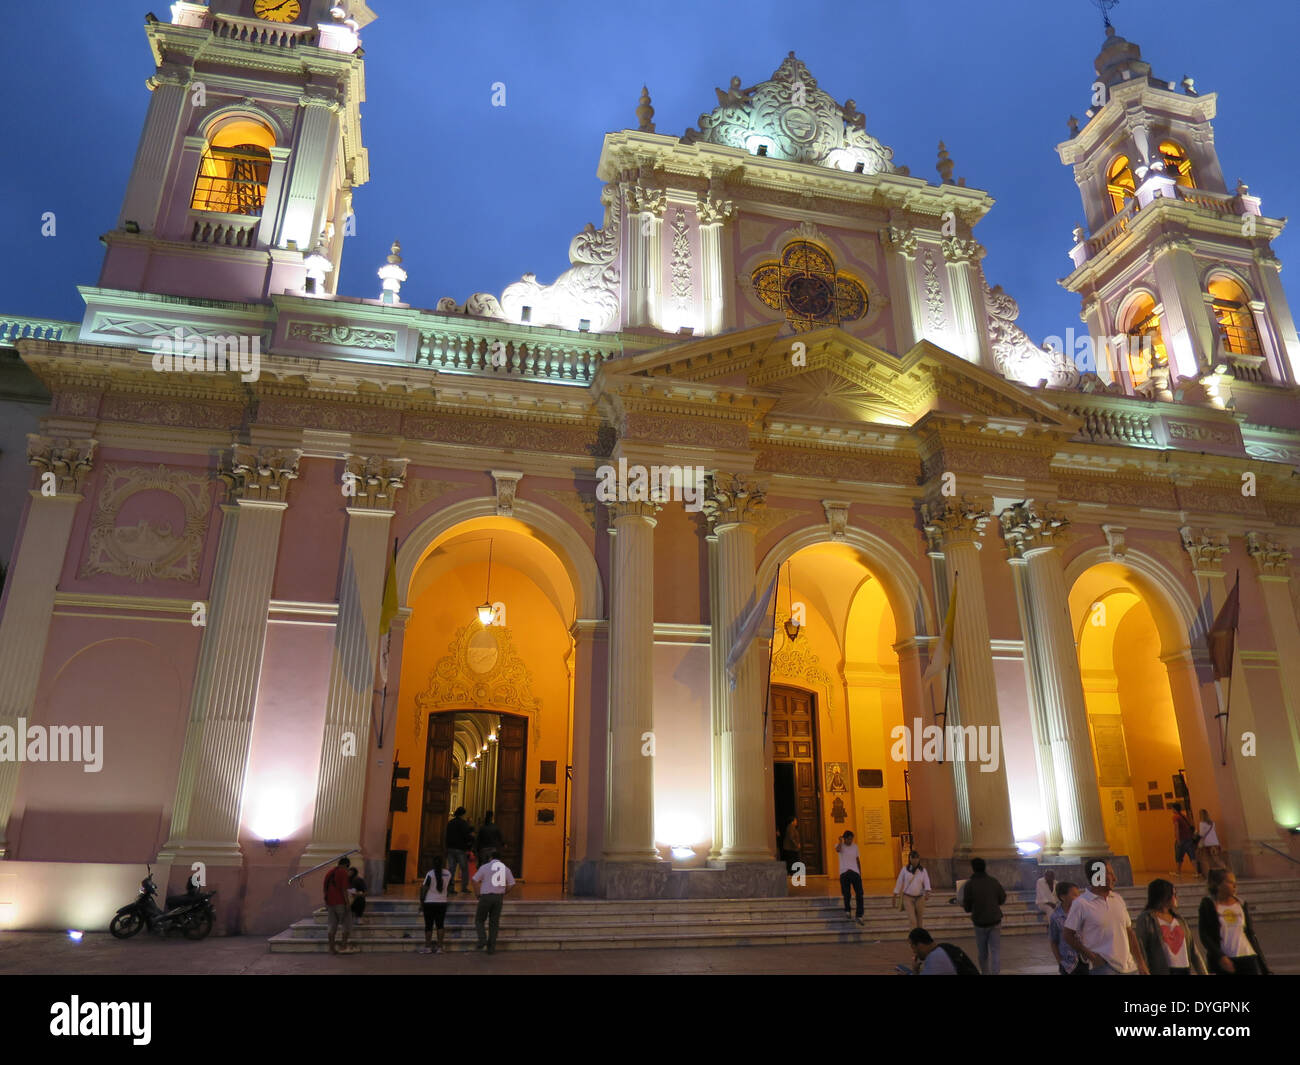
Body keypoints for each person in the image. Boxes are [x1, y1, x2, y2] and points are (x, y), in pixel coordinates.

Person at [1063, 858, 1147, 975]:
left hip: (1130, 967)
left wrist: (1141, 963)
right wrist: (1092, 956)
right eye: (1110, 874)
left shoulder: (1118, 899)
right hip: (1104, 968)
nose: (1115, 878)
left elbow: (1129, 932)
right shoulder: (1081, 903)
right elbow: (1067, 935)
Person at [1198, 869, 1270, 975]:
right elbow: (1204, 935)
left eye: (1234, 882)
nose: (1234, 885)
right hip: (1225, 959)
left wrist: (1262, 961)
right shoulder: (1209, 905)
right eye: (1230, 882)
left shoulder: (1241, 904)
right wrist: (1220, 956)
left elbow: (1249, 932)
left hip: (1247, 956)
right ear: (1218, 885)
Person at [1134, 878, 1206, 975]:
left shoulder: (1179, 920)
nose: (1176, 897)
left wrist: (1203, 972)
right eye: (1174, 894)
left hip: (1184, 969)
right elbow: (1141, 947)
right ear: (1164, 896)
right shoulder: (1147, 919)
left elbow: (1193, 950)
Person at [960, 858, 1006, 975]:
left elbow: (967, 907)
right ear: (985, 867)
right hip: (995, 920)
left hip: (979, 922)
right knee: (995, 951)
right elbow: (1002, 898)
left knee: (982, 952)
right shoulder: (993, 881)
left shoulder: (970, 884)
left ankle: (985, 973)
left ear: (973, 868)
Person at [471, 848, 517, 954]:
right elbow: (512, 883)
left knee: (479, 919)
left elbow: (474, 880)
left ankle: (482, 939)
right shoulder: (505, 868)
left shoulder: (485, 867)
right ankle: (491, 948)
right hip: (498, 898)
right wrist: (504, 892)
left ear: (491, 857)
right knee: (494, 923)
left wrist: (477, 893)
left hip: (485, 897)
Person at [1048, 881, 1085, 975]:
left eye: (1078, 894)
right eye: (1074, 895)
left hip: (1086, 959)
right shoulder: (1056, 917)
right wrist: (1060, 962)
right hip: (1068, 964)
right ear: (1062, 897)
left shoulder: (1083, 912)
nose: (1078, 898)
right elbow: (1053, 941)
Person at [905, 927, 980, 975]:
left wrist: (914, 971)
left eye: (913, 947)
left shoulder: (935, 959)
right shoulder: (943, 947)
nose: (914, 951)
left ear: (920, 945)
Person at [418, 854, 452, 955]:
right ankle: (440, 948)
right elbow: (450, 888)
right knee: (440, 925)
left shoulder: (430, 874)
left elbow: (424, 888)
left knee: (428, 926)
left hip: (429, 902)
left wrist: (421, 902)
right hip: (442, 902)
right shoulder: (448, 874)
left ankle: (427, 947)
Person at [323, 857, 356, 955]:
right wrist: (347, 903)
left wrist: (327, 902)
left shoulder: (329, 872)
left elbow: (325, 889)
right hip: (340, 902)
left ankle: (331, 949)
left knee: (331, 926)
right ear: (346, 865)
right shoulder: (343, 872)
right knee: (347, 924)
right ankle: (343, 946)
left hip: (330, 903)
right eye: (347, 867)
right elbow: (344, 889)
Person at [892, 851, 932, 928]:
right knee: (912, 920)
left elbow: (927, 882)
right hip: (908, 898)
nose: (915, 860)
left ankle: (919, 937)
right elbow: (899, 882)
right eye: (913, 858)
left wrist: (927, 892)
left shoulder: (923, 870)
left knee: (919, 921)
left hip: (920, 897)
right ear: (909, 859)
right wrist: (894, 895)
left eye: (917, 858)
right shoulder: (904, 870)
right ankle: (913, 938)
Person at [835, 830, 864, 926]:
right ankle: (847, 910)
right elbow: (838, 850)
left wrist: (860, 872)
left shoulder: (855, 846)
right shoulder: (840, 846)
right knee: (846, 893)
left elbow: (857, 859)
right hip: (844, 872)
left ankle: (859, 915)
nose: (850, 841)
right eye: (848, 839)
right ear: (845, 838)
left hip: (855, 872)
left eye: (852, 839)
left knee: (859, 894)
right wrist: (840, 841)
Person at [445, 806, 474, 896]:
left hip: (450, 848)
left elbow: (446, 835)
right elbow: (467, 836)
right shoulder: (463, 823)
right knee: (464, 869)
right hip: (460, 849)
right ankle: (464, 887)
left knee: (451, 869)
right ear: (463, 814)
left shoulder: (450, 823)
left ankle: (450, 888)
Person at [1170, 803, 1199, 875]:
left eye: (1172, 808)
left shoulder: (1176, 817)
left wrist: (1178, 839)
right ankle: (1196, 872)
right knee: (1192, 856)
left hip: (1182, 839)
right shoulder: (1184, 816)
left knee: (1178, 856)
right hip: (1189, 838)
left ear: (1174, 809)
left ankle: (1178, 871)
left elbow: (1176, 829)